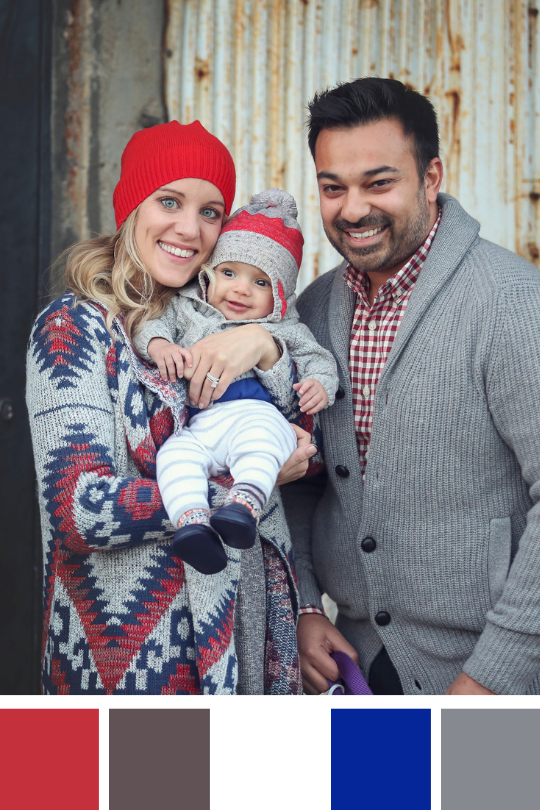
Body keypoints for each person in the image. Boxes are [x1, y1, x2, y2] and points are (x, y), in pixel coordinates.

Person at [26, 120, 315, 695]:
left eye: (211, 212)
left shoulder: (219, 319)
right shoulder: (73, 327)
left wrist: (266, 344)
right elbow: (78, 510)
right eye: (169, 201)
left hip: (238, 644)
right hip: (130, 663)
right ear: (133, 207)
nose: (191, 229)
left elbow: (302, 437)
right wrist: (245, 483)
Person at [283, 77, 540, 696]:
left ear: (431, 178)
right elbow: (295, 479)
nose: (352, 209)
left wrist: (491, 678)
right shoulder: (312, 312)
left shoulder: (511, 303)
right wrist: (305, 606)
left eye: (379, 182)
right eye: (332, 187)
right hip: (356, 666)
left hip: (491, 674)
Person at [132, 189, 338, 575]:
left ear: (280, 296)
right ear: (209, 275)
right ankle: (192, 522)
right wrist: (158, 344)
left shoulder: (283, 327)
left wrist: (319, 385)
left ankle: (244, 504)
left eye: (261, 283)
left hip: (255, 416)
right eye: (229, 273)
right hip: (201, 424)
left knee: (260, 445)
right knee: (174, 456)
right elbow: (150, 323)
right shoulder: (187, 308)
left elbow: (318, 359)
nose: (241, 289)